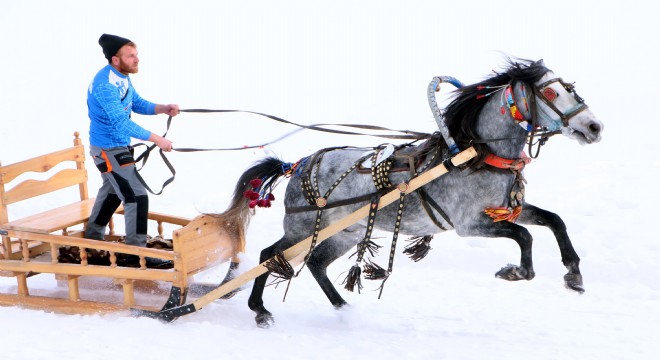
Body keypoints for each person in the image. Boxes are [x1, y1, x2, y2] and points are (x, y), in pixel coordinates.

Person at [85, 33, 179, 268]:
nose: (137, 60)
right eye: (131, 56)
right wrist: (157, 139)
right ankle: (136, 253)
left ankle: (92, 240)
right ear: (115, 59)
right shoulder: (105, 85)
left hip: (117, 147)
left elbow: (136, 103)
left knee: (113, 191)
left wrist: (162, 108)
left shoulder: (122, 77)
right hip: (108, 148)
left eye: (136, 55)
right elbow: (120, 122)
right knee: (135, 195)